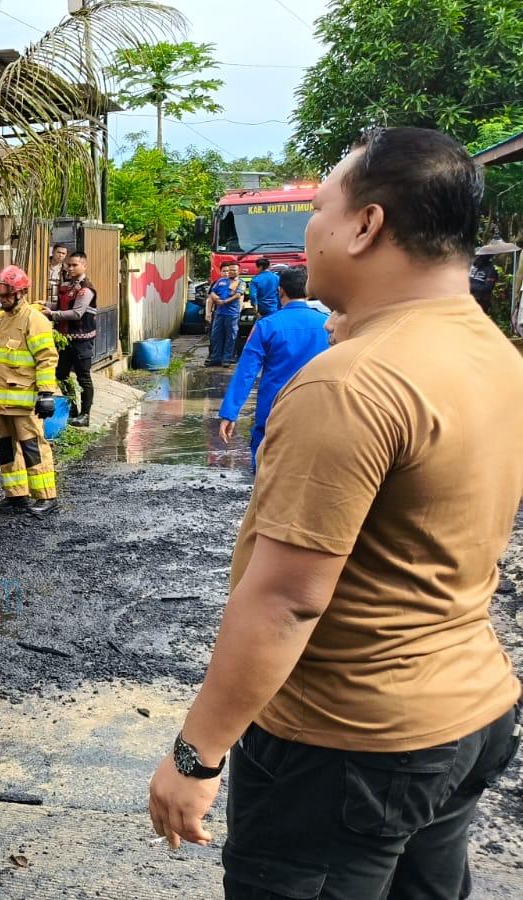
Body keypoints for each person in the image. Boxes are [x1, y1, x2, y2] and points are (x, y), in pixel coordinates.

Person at [147, 127, 523, 900]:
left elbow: (288, 597)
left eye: (316, 208)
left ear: (366, 225)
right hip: (468, 715)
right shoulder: (493, 352)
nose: (306, 231)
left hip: (347, 747)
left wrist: (197, 754)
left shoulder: (350, 383)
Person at [215, 265, 330, 471]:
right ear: (309, 291)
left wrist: (229, 413)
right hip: (319, 408)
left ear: (281, 291)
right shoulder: (327, 324)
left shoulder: (266, 326)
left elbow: (246, 372)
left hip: (273, 410)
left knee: (265, 471)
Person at [0, 265, 60, 515]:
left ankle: (46, 497)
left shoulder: (34, 320)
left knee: (33, 448)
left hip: (25, 401)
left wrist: (47, 393)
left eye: (7, 294)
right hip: (1, 401)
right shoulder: (1, 321)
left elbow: (46, 358)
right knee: (6, 450)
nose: (2, 299)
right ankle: (16, 496)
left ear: (20, 293)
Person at [49, 251, 97, 426]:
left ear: (84, 266)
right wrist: (44, 305)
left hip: (82, 340)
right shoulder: (68, 285)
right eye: (69, 264)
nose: (70, 267)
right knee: (61, 375)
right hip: (64, 340)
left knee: (83, 377)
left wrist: (52, 314)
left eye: (74, 264)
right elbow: (60, 305)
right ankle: (72, 410)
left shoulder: (86, 288)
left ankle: (85, 415)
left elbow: (76, 313)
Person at [206, 261, 245, 366]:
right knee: (215, 336)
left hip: (232, 314)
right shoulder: (220, 281)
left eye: (234, 270)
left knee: (231, 337)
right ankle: (216, 358)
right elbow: (212, 292)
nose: (231, 272)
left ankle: (227, 359)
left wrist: (224, 302)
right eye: (230, 270)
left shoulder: (241, 282)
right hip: (219, 313)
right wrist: (216, 298)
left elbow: (237, 295)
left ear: (238, 271)